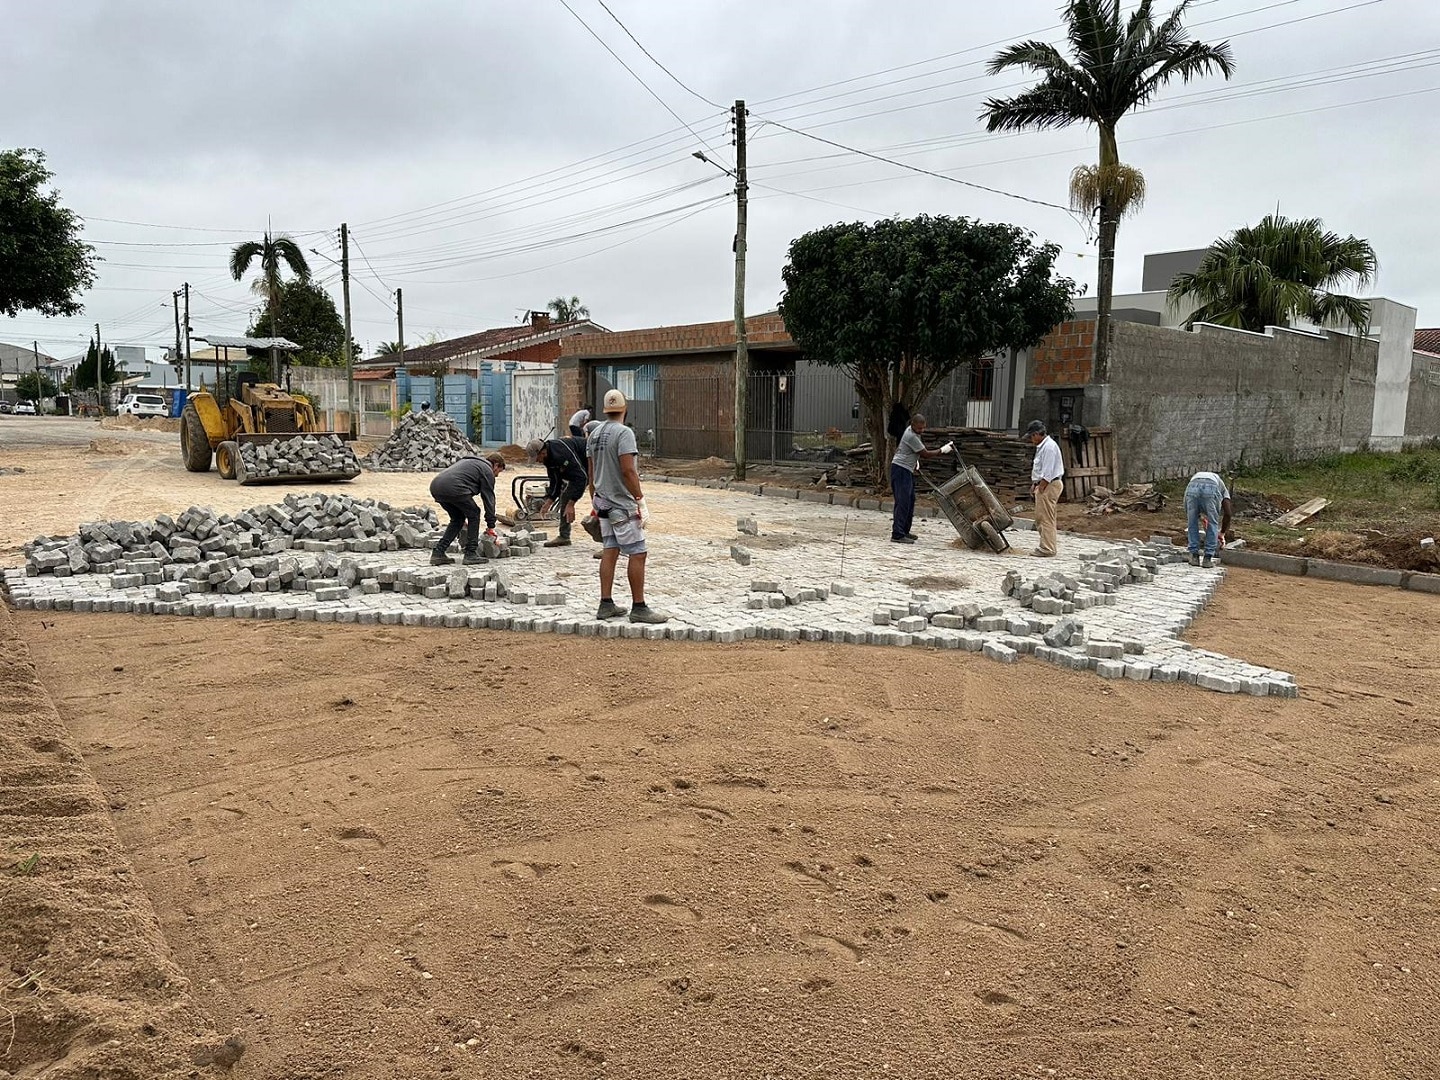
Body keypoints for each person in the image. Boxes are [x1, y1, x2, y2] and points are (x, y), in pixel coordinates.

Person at [587, 389, 668, 624]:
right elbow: (628, 470)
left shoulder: (594, 434)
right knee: (638, 552)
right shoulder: (624, 433)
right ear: (624, 409)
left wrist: (594, 502)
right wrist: (640, 500)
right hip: (621, 504)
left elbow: (592, 474)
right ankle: (639, 607)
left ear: (605, 409)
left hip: (602, 502)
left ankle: (606, 604)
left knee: (610, 550)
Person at [429, 452, 506, 565]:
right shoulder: (487, 469)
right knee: (474, 513)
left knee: (458, 519)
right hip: (454, 487)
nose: (496, 476)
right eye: (498, 471)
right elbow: (488, 499)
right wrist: (491, 526)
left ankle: (438, 553)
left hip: (436, 487)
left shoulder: (470, 462)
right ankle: (471, 553)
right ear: (496, 465)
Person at [889, 413, 951, 544]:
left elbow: (910, 450)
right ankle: (897, 534)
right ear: (912, 425)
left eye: (923, 428)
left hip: (907, 469)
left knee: (910, 500)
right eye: (919, 428)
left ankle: (905, 531)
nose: (921, 431)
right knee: (903, 502)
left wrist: (914, 461)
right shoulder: (910, 436)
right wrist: (942, 450)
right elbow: (925, 454)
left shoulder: (911, 431)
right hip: (901, 470)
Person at [526, 434, 588, 547]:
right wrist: (549, 502)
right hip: (580, 470)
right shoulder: (548, 459)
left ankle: (610, 543)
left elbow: (581, 477)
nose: (538, 461)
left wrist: (572, 503)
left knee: (599, 499)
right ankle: (564, 537)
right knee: (565, 496)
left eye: (537, 458)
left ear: (543, 452)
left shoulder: (562, 453)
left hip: (591, 463)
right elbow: (555, 480)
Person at [1025, 420, 1065, 557]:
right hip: (1046, 484)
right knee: (1046, 517)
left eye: (1031, 436)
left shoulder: (1048, 448)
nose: (1031, 439)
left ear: (1037, 434)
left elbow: (1047, 474)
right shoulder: (1044, 446)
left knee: (1044, 518)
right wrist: (1035, 484)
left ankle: (1047, 548)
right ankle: (1048, 546)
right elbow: (1041, 470)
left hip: (1049, 485)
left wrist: (1040, 488)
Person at [1184, 470, 1232, 568]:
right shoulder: (1223, 489)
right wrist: (1222, 533)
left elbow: (1186, 505)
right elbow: (1228, 513)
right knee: (1213, 523)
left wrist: (1196, 516)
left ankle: (1194, 557)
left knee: (1192, 523)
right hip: (1211, 487)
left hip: (1192, 486)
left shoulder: (1197, 477)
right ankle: (1207, 558)